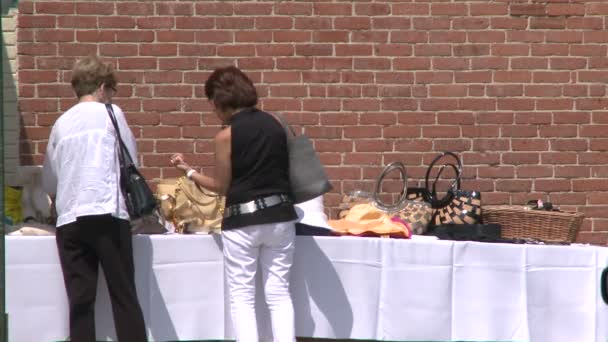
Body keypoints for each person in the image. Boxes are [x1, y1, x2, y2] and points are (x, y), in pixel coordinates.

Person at [170, 66, 297, 342]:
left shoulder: (225, 137)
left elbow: (221, 187)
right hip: (281, 217)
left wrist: (189, 172)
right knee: (278, 294)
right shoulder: (275, 123)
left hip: (243, 222)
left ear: (219, 103)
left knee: (242, 297)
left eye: (212, 106)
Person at [42, 56, 148, 342]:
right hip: (107, 210)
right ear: (102, 88)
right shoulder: (112, 114)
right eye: (111, 90)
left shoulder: (61, 123)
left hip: (70, 219)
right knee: (123, 296)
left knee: (80, 302)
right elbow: (131, 160)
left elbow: (49, 180)